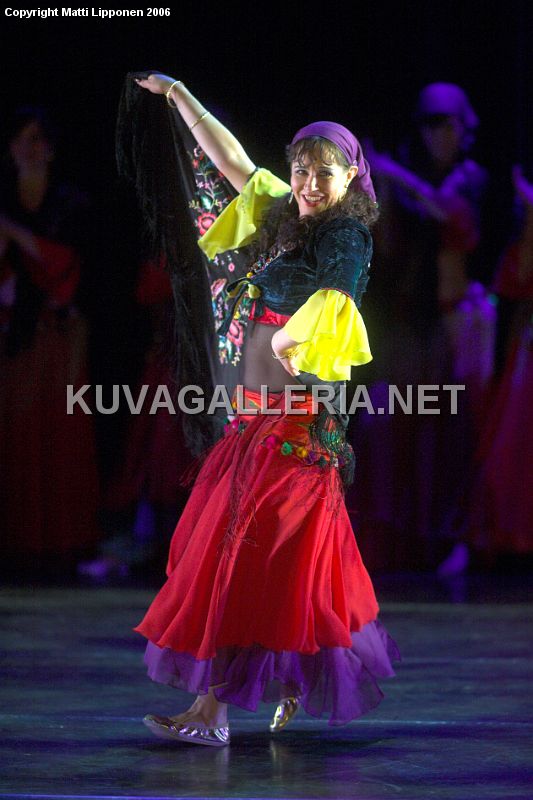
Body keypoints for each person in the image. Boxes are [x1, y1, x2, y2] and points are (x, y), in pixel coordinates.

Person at [131, 73, 401, 748]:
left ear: (351, 177)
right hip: (257, 414)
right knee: (277, 558)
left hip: (297, 419)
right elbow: (234, 163)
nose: (309, 184)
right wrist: (181, 96)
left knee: (241, 549)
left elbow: (338, 298)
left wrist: (284, 338)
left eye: (324, 173)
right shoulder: (286, 214)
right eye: (301, 170)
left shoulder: (345, 235)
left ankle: (211, 713)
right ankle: (284, 682)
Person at [351, 83, 490, 572]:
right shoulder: (410, 180)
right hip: (410, 322)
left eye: (448, 124)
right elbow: (388, 246)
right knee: (390, 426)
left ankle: (451, 541)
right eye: (430, 124)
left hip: (457, 323)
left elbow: (449, 213)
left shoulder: (470, 179)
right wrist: (381, 185)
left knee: (452, 433)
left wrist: (392, 173)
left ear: (463, 129)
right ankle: (393, 540)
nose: (439, 135)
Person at [0, 106, 101, 578]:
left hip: (61, 334)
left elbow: (71, 271)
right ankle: (16, 544)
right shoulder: (4, 199)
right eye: (21, 138)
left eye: (37, 138)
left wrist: (17, 236)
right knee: (16, 436)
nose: (29, 147)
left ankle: (63, 544)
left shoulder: (71, 204)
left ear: (51, 149)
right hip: (12, 333)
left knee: (60, 434)